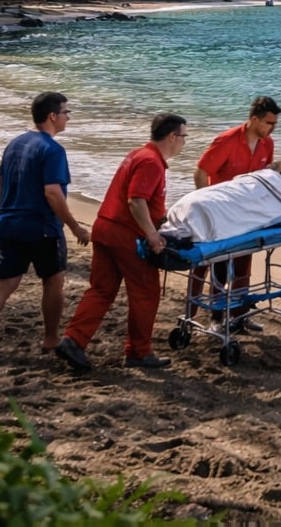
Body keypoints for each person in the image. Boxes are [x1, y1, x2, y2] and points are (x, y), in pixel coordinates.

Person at [56, 112, 187, 372]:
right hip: (125, 234)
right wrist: (151, 234)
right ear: (172, 137)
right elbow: (136, 200)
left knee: (101, 290)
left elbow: (139, 201)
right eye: (184, 137)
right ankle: (138, 351)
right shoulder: (151, 162)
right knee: (146, 292)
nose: (185, 142)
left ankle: (74, 339)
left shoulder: (138, 154)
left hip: (105, 226)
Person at [0, 92, 90, 362]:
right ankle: (50, 339)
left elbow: (1, 185)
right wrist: (75, 227)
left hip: (10, 224)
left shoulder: (15, 143)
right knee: (54, 281)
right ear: (52, 116)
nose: (69, 117)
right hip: (42, 228)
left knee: (6, 283)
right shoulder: (52, 149)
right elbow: (53, 193)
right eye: (67, 112)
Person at [192, 97, 281, 318]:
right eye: (269, 123)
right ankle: (200, 315)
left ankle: (239, 316)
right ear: (254, 119)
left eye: (275, 123)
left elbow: (262, 178)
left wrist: (274, 169)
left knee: (243, 264)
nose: (273, 128)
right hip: (220, 213)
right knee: (213, 266)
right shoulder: (227, 141)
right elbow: (200, 173)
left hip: (248, 214)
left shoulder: (267, 143)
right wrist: (206, 205)